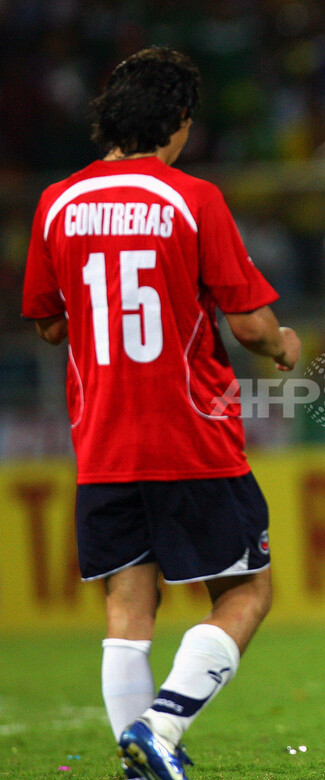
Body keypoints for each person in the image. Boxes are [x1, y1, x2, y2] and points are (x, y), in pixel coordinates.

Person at [22, 47, 300, 780]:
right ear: (177, 123)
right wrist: (283, 342)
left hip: (103, 439)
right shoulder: (191, 198)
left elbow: (49, 323)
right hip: (190, 434)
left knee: (127, 606)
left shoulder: (56, 202)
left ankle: (139, 761)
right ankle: (163, 728)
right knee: (246, 591)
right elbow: (249, 323)